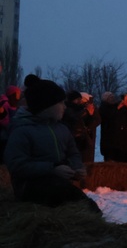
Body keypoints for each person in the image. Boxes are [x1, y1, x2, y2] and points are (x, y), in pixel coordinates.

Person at [4, 74, 100, 212]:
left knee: (89, 208)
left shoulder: (61, 128)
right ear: (46, 106)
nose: (65, 107)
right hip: (30, 187)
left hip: (58, 184)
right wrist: (52, 169)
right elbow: (17, 164)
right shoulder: (22, 130)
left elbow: (73, 152)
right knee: (73, 202)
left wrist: (76, 168)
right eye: (60, 103)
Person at [62, 91, 96, 164]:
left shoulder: (80, 108)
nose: (79, 101)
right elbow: (74, 117)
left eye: (80, 99)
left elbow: (88, 122)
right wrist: (86, 112)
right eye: (77, 99)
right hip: (73, 137)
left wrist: (90, 114)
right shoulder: (67, 109)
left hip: (81, 138)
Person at [0, 84, 21, 164]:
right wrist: (10, 127)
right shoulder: (5, 104)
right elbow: (3, 119)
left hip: (10, 131)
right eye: (16, 95)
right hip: (4, 133)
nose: (17, 98)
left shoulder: (13, 105)